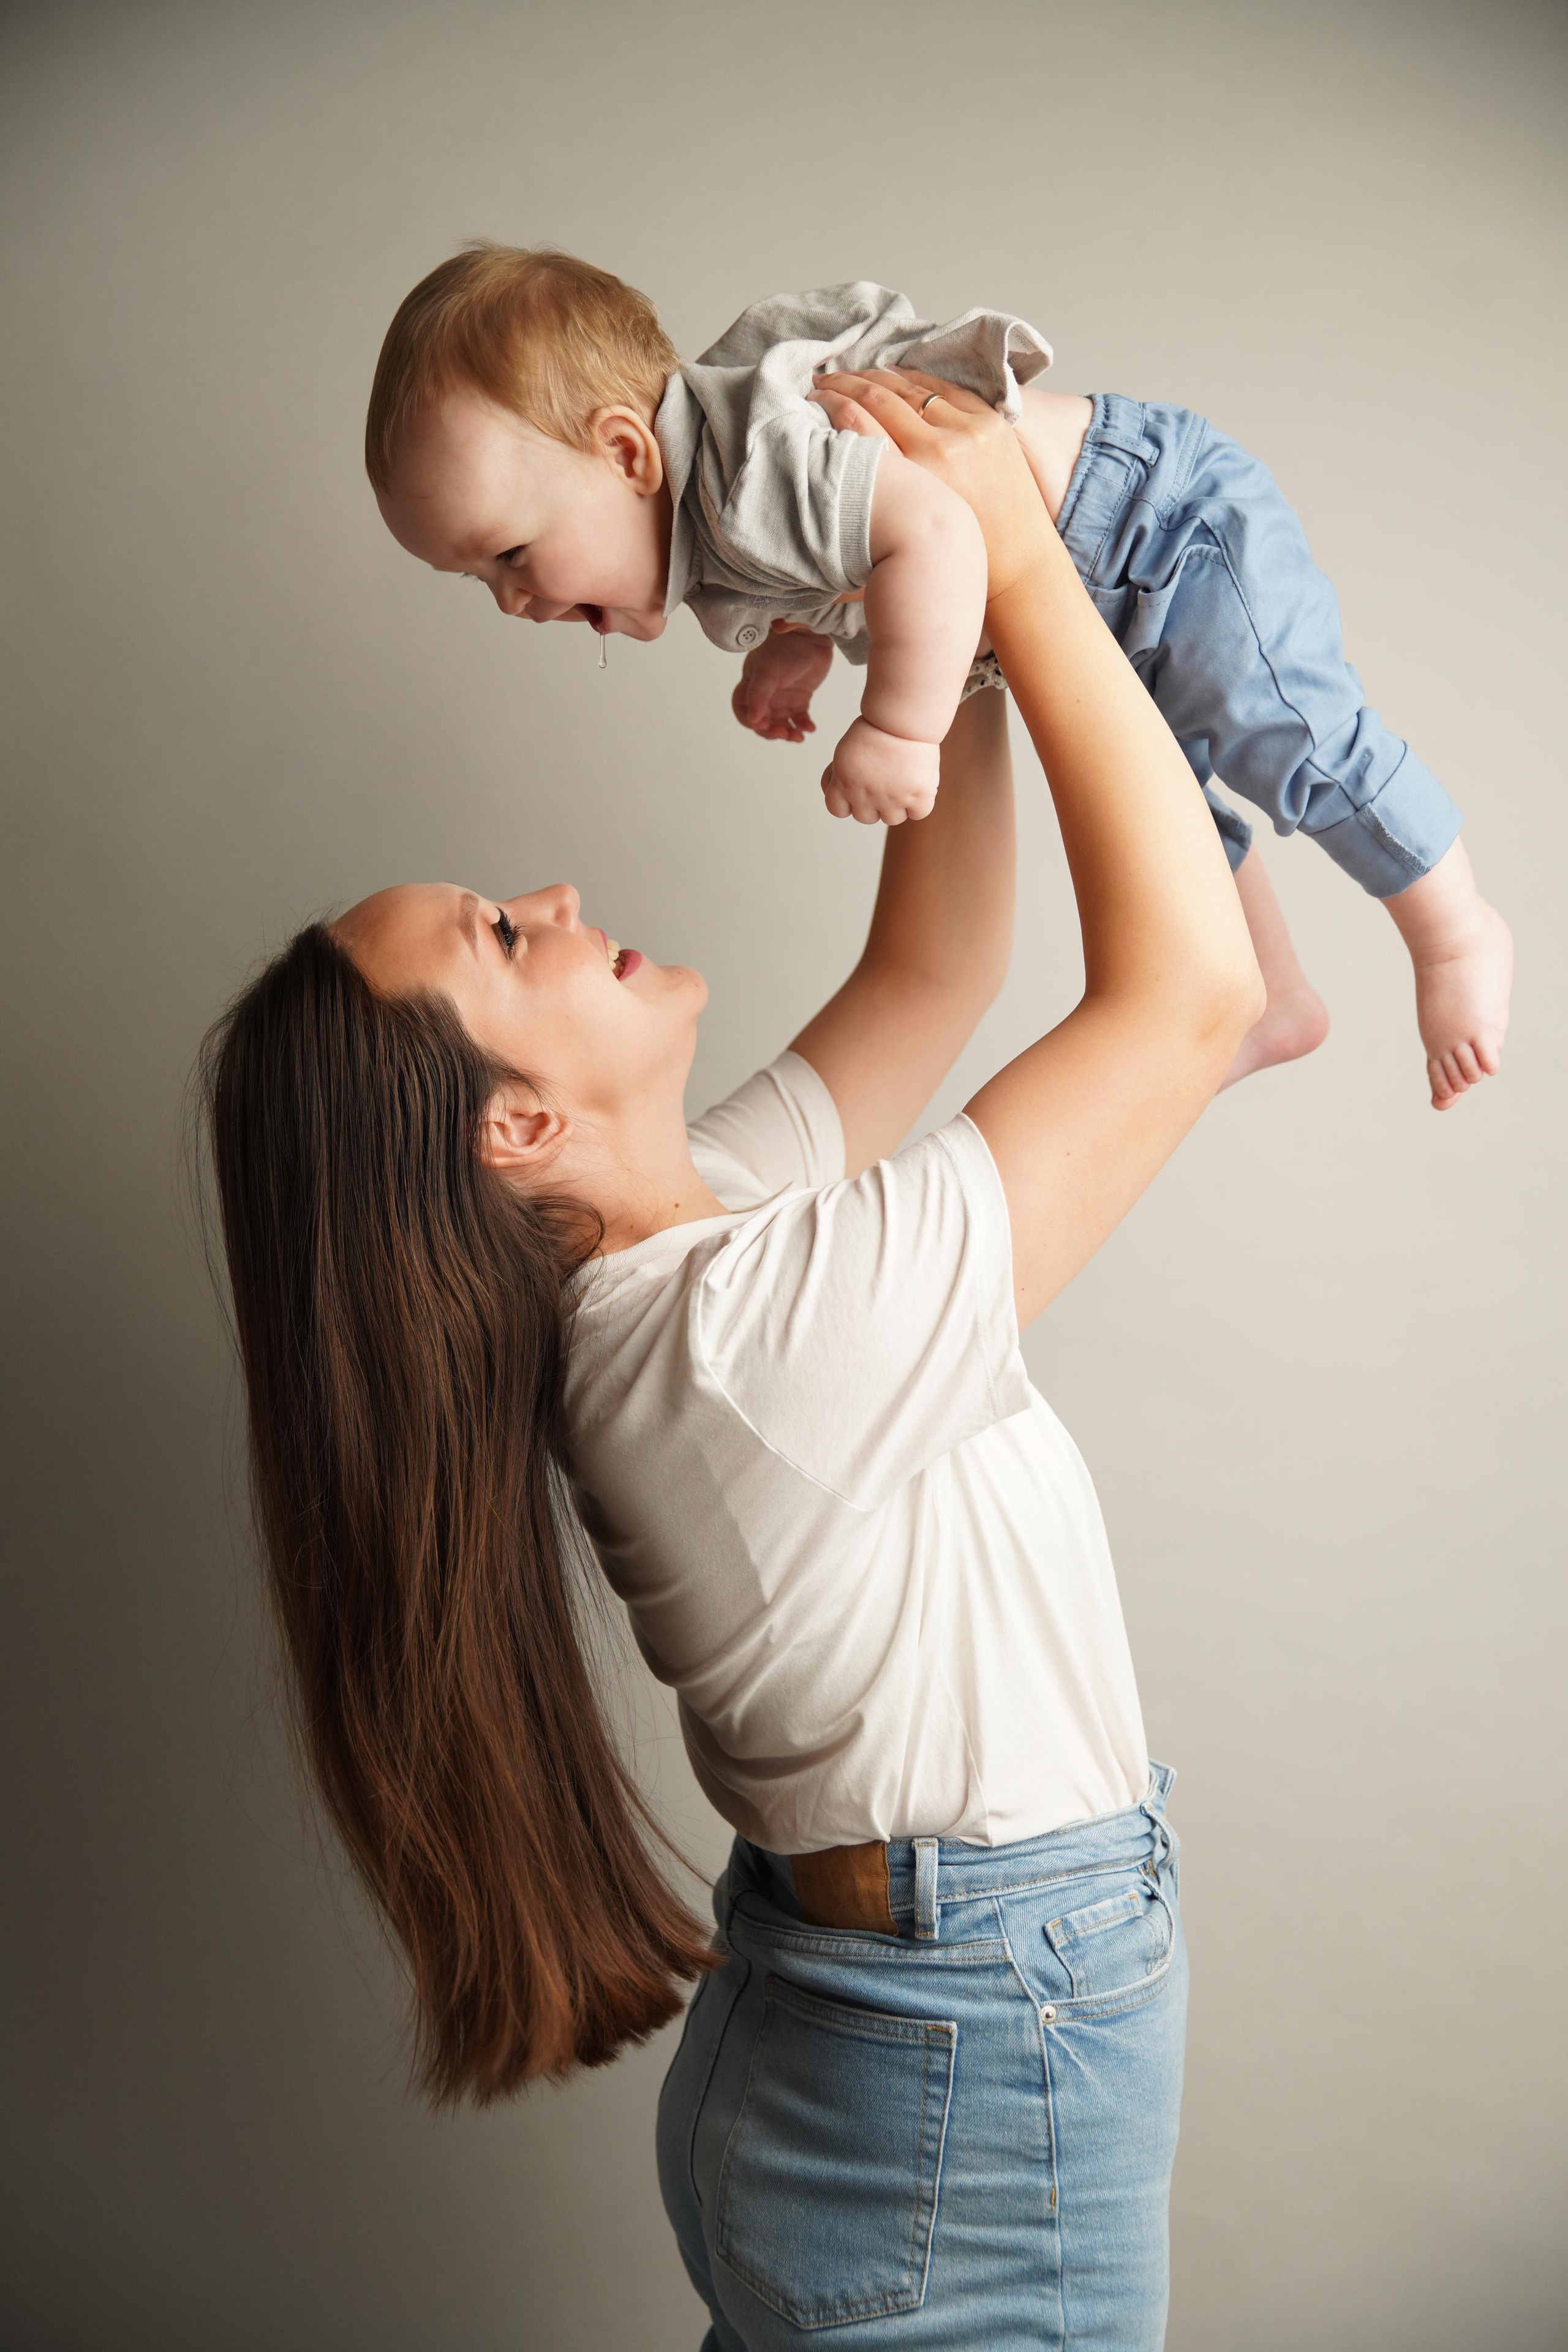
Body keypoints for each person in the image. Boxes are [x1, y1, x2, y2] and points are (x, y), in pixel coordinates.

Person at [204, 374, 1262, 2347]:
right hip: (968, 2041)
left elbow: (932, 970)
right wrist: (1020, 552)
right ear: (511, 1132)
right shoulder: (735, 1347)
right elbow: (1191, 999)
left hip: (894, 2019)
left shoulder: (686, 1240)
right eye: (506, 939)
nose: (566, 898)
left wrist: (914, 584)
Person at [364, 243, 1511, 1110]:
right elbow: (836, 558)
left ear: (625, 452)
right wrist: (794, 646)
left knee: (1290, 740)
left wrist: (902, 726)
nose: (514, 600)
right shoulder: (716, 504)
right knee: (1167, 804)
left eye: (509, 554)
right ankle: (1272, 989)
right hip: (1077, 600)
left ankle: (1455, 931)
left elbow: (935, 534)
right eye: (481, 582)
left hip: (1156, 526)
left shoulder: (750, 468)